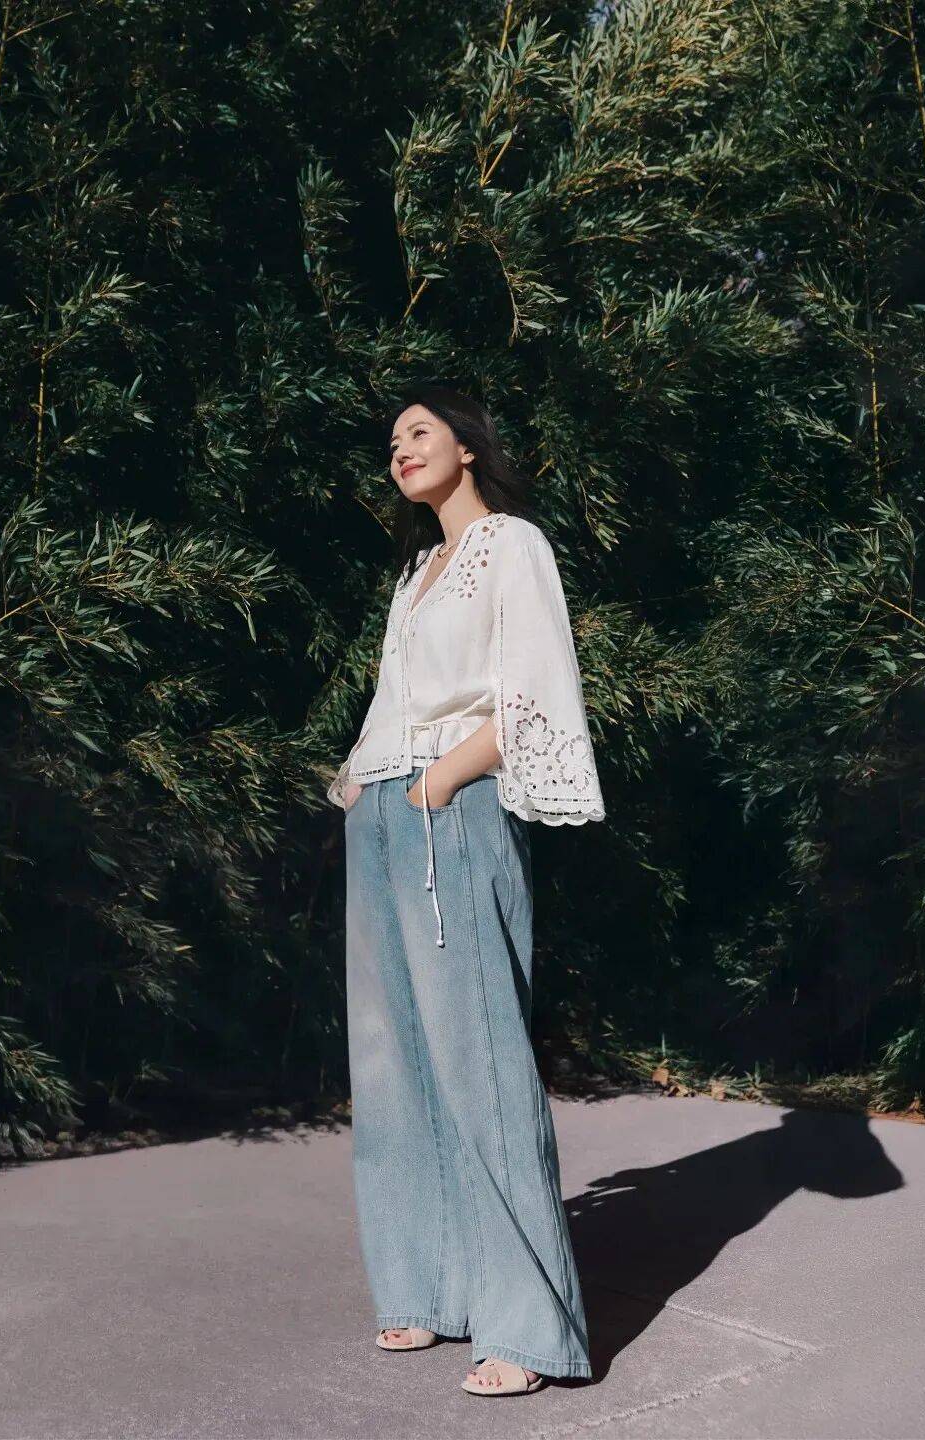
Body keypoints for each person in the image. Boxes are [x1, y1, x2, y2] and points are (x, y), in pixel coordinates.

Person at [327, 383, 605, 1397]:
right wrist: (364, 789)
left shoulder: (510, 546)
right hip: (384, 809)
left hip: (453, 806)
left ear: (469, 447)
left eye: (420, 432)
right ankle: (425, 1286)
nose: (401, 449)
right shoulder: (416, 573)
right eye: (393, 439)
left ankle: (525, 1330)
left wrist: (443, 781)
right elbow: (393, 699)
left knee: (478, 1059)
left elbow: (535, 690)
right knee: (391, 1062)